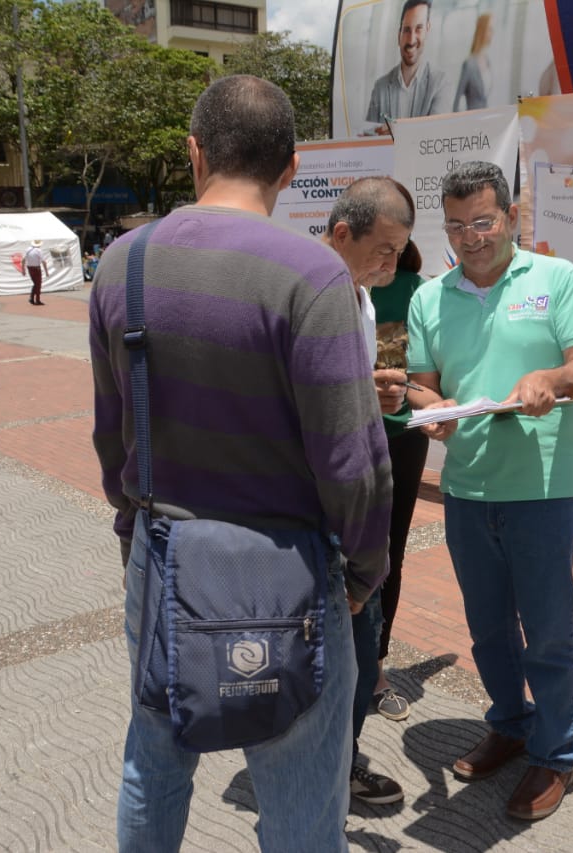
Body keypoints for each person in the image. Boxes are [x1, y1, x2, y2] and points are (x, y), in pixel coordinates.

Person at [90, 75, 392, 852]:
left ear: (194, 153)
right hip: (287, 574)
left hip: (162, 559)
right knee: (297, 794)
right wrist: (363, 572)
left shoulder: (123, 263)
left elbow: (110, 434)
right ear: (291, 169)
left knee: (154, 763)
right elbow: (350, 461)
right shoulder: (313, 274)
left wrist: (133, 531)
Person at [405, 161, 573, 821]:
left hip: (544, 488)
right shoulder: (430, 297)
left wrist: (552, 377)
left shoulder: (556, 278)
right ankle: (511, 724)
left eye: (483, 221)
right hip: (466, 487)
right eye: (457, 226)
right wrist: (433, 408)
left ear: (512, 218)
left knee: (548, 631)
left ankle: (554, 756)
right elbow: (423, 384)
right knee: (489, 629)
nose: (471, 237)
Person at [324, 176, 421, 807]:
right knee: (340, 661)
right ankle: (324, 777)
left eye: (400, 251)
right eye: (384, 250)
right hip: (326, 519)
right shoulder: (311, 296)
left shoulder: (358, 298)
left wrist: (376, 391)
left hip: (359, 514)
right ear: (341, 235)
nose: (393, 265)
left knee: (359, 661)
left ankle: (338, 763)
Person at [368, 237, 428, 723]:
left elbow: (426, 372)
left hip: (401, 436)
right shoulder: (338, 286)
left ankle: (375, 667)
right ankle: (360, 663)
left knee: (388, 553)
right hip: (347, 434)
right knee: (361, 552)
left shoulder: (417, 291)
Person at [364, 0, 453, 131]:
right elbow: (369, 139)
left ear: (427, 30)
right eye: (406, 30)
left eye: (418, 28)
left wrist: (396, 131)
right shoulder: (380, 88)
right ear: (398, 36)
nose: (411, 40)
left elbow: (436, 137)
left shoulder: (441, 84)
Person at [453, 14, 492, 111]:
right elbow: (457, 101)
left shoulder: (487, 60)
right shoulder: (469, 64)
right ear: (483, 31)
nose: (492, 33)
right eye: (490, 29)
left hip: (486, 118)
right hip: (472, 120)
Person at [23, 239, 48, 305]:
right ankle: (37, 300)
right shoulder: (38, 250)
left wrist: (23, 270)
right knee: (38, 284)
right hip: (36, 268)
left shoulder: (28, 249)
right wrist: (46, 271)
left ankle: (32, 298)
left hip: (30, 268)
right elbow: (43, 262)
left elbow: (23, 260)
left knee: (35, 284)